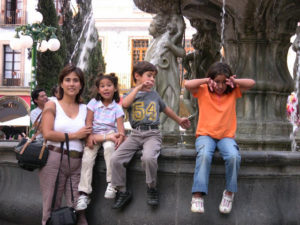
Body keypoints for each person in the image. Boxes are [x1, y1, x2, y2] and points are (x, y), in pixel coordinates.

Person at [110, 61, 190, 209]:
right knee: (115, 159)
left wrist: (179, 120)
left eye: (154, 77)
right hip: (134, 134)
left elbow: (166, 109)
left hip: (152, 134)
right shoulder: (130, 94)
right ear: (137, 76)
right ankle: (122, 190)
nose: (152, 79)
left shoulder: (154, 95)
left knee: (148, 158)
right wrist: (138, 88)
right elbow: (125, 104)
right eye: (149, 76)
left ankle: (151, 188)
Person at [184, 62, 255, 214]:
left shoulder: (233, 91)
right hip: (205, 135)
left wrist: (235, 82)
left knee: (234, 156)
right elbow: (187, 84)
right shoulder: (203, 90)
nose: (220, 86)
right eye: (217, 81)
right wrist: (205, 80)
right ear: (211, 80)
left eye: (224, 82)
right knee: (203, 155)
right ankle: (197, 196)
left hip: (226, 137)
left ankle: (229, 193)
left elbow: (251, 83)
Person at [41, 64, 92, 225]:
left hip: (78, 162)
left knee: (79, 210)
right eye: (67, 80)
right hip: (55, 159)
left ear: (81, 85)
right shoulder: (52, 104)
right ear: (61, 83)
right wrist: (75, 135)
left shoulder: (86, 108)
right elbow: (47, 133)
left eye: (76, 80)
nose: (71, 84)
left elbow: (90, 135)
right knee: (51, 207)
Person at [76, 73, 125, 211]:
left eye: (109, 85)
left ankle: (111, 183)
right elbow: (88, 122)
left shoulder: (117, 108)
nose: (106, 88)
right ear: (98, 90)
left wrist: (120, 137)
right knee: (87, 159)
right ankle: (84, 193)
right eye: (102, 86)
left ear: (115, 88)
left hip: (110, 134)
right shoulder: (93, 104)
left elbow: (121, 131)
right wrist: (89, 136)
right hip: (94, 134)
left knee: (109, 148)